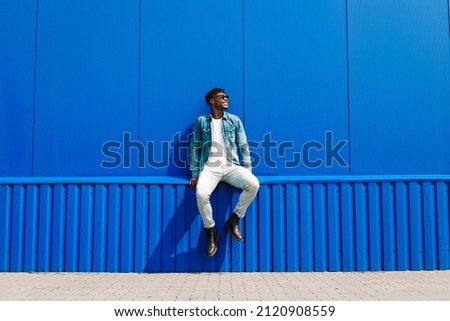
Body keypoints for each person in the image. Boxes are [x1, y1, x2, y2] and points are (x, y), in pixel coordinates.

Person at [188, 88, 260, 257]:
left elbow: (243, 145)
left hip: (230, 165)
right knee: (201, 194)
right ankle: (211, 231)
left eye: (227, 96)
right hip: (209, 167)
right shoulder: (201, 121)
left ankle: (234, 219)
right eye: (222, 97)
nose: (226, 99)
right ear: (212, 100)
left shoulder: (234, 120)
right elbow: (194, 147)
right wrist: (195, 173)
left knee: (254, 184)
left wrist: (247, 169)